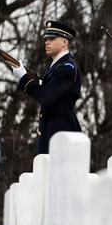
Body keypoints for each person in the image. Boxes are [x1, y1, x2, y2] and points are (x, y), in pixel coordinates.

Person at [13, 20, 82, 155]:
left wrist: (23, 77)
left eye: (52, 38)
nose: (46, 42)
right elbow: (49, 89)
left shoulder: (67, 67)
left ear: (64, 42)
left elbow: (46, 97)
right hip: (51, 129)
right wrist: (37, 82)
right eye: (46, 39)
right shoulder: (56, 66)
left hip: (62, 131)